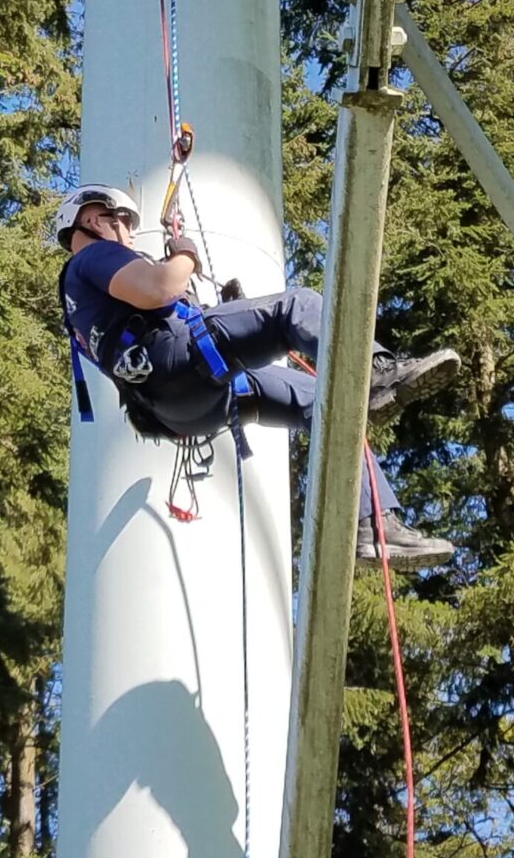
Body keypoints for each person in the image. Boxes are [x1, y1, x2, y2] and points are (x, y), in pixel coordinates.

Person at [56, 183, 459, 570]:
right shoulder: (93, 257)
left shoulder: (80, 302)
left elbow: (148, 313)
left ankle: (373, 526)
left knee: (321, 402)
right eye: (121, 219)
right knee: (297, 307)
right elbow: (160, 288)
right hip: (181, 361)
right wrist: (184, 255)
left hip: (181, 409)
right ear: (92, 217)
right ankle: (377, 373)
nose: (128, 231)